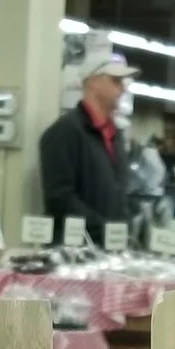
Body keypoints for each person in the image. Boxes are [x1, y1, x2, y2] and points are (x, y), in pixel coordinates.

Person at [38, 54, 134, 247]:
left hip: (111, 251)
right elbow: (59, 198)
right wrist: (103, 229)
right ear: (93, 82)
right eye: (115, 81)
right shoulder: (64, 133)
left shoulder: (115, 135)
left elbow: (119, 192)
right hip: (74, 255)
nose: (123, 88)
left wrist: (125, 227)